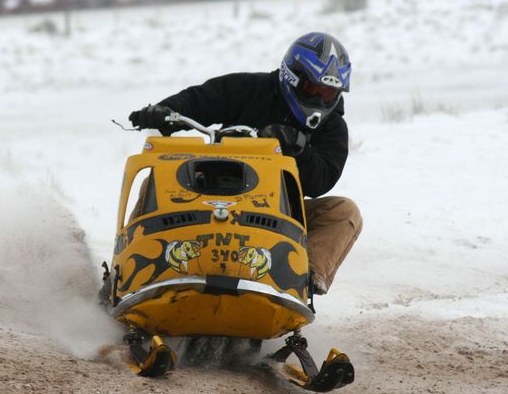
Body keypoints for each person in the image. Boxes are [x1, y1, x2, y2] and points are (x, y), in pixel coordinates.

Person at [128, 32, 362, 295]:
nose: (320, 100)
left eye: (328, 93)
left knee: (345, 211)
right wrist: (163, 111)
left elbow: (321, 181)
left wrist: (299, 149)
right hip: (206, 196)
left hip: (280, 212)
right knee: (155, 182)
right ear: (292, 77)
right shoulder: (249, 89)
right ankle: (130, 268)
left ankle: (301, 279)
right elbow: (197, 99)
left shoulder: (333, 128)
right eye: (313, 89)